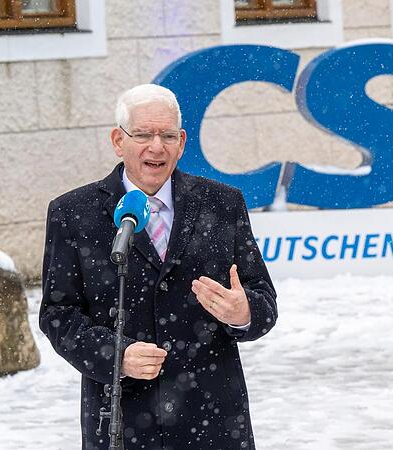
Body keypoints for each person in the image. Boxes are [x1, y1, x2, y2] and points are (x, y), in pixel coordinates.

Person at [39, 84, 277, 450]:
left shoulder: (223, 204)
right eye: (144, 134)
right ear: (119, 141)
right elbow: (58, 315)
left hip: (213, 420)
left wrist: (243, 312)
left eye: (167, 135)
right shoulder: (73, 213)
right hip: (123, 420)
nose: (156, 146)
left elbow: (263, 299)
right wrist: (115, 355)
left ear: (181, 142)